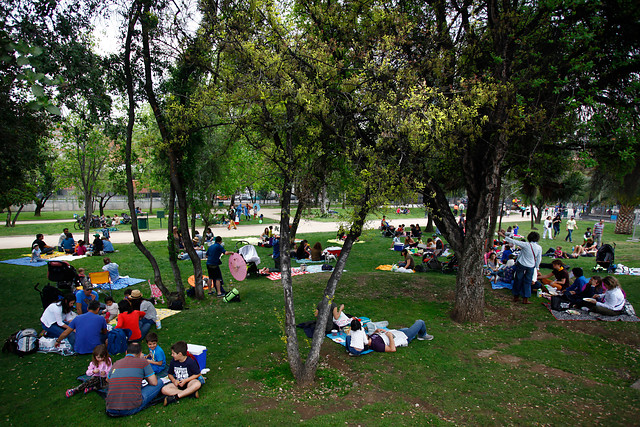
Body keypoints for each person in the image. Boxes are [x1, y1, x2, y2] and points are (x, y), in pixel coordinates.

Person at [106, 342, 163, 417]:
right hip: (130, 408)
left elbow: (108, 380)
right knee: (159, 382)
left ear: (126, 352)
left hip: (110, 408)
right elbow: (154, 382)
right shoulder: (143, 362)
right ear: (140, 354)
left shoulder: (116, 363)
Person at [499, 230, 542, 304]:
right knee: (528, 282)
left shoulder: (525, 244)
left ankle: (516, 296)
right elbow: (539, 258)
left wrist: (502, 235)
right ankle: (525, 298)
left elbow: (514, 241)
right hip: (531, 265)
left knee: (518, 280)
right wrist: (537, 267)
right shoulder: (539, 248)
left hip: (521, 264)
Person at [161, 341, 203, 406]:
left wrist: (186, 380)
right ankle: (190, 393)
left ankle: (176, 397)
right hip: (178, 384)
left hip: (189, 382)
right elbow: (170, 374)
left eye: (173, 353)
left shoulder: (190, 362)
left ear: (180, 354)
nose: (172, 355)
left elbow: (197, 374)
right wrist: (174, 380)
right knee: (164, 389)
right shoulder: (173, 361)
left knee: (197, 384)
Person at [368, 320, 434, 352]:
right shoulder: (376, 344)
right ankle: (422, 335)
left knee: (407, 328)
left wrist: (376, 331)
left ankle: (416, 331)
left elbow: (372, 336)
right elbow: (392, 349)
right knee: (420, 322)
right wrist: (390, 336)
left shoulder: (369, 338)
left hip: (397, 332)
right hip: (404, 336)